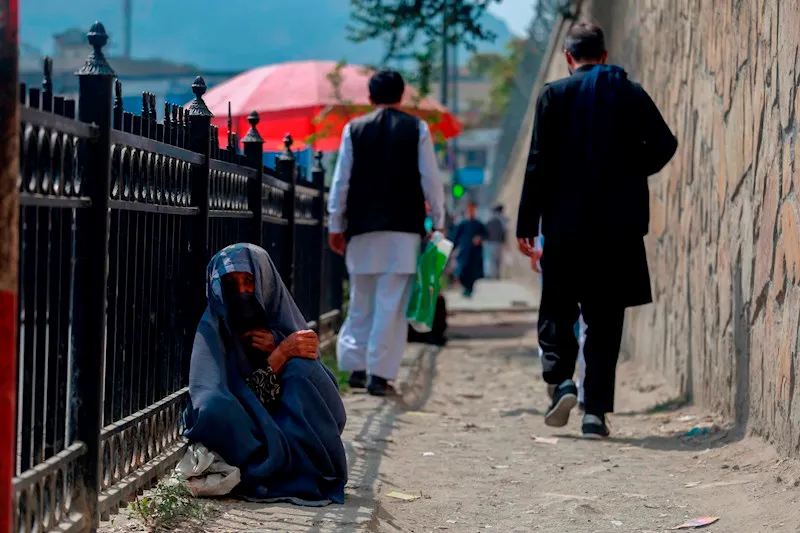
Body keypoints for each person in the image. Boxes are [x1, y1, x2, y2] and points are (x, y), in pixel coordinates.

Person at [516, 23, 677, 438]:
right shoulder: (629, 92)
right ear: (604, 55)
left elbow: (537, 163)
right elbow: (664, 144)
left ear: (569, 58)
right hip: (616, 230)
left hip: (565, 227)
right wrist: (626, 173)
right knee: (605, 320)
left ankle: (562, 382)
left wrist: (525, 224)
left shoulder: (553, 95)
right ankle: (595, 414)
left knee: (558, 309)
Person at [182, 243, 348, 505]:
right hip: (248, 433)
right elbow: (216, 400)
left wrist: (283, 345)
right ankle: (265, 467)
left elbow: (327, 402)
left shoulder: (285, 326)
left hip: (288, 425)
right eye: (231, 282)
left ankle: (305, 467)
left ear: (265, 283)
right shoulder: (214, 330)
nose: (242, 291)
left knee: (301, 369)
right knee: (215, 408)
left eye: (249, 281)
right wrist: (279, 355)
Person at [327, 69, 446, 396]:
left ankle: (355, 367)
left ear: (370, 97)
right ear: (401, 95)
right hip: (403, 233)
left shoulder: (354, 129)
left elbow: (341, 183)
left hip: (361, 230)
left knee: (360, 299)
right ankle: (380, 374)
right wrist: (438, 219)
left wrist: (335, 224)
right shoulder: (416, 128)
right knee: (391, 305)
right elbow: (430, 180)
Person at [531, 244, 586, 409]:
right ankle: (588, 394)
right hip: (599, 240)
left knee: (555, 312)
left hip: (557, 241)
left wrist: (531, 238)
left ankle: (560, 380)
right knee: (589, 324)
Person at [450, 201, 487, 298]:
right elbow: (455, 237)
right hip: (464, 252)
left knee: (473, 273)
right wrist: (451, 249)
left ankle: (469, 289)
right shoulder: (462, 224)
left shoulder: (479, 224)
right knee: (462, 271)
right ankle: (465, 287)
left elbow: (485, 235)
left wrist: (480, 238)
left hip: (475, 254)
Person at [484, 204, 508, 279]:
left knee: (491, 259)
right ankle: (496, 274)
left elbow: (486, 231)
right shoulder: (503, 220)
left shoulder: (490, 220)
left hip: (490, 242)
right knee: (497, 259)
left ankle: (491, 274)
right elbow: (504, 232)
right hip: (497, 242)